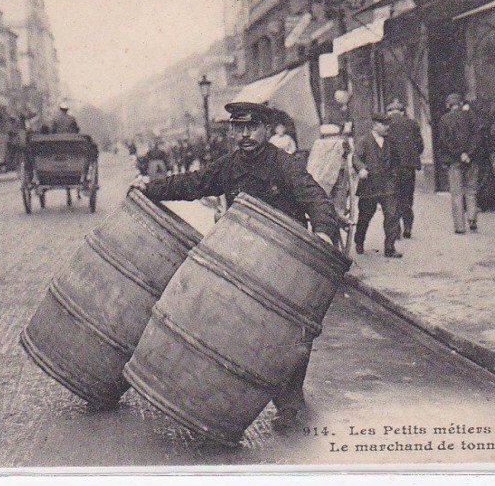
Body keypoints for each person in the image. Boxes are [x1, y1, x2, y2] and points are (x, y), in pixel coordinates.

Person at [131, 101, 340, 431]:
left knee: (288, 334)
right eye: (238, 128)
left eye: (251, 128)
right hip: (242, 260)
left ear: (267, 130)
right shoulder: (228, 166)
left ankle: (291, 401)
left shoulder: (284, 165)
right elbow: (193, 184)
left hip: (283, 264)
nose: (244, 135)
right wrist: (151, 188)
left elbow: (315, 197)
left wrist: (325, 232)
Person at [352, 114, 402, 258]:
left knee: (392, 215)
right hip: (369, 186)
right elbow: (356, 158)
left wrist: (394, 176)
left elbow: (396, 162)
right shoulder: (363, 141)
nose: (387, 127)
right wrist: (361, 169)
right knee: (365, 216)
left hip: (388, 185)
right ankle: (359, 241)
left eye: (388, 124)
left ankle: (390, 248)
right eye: (384, 124)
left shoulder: (391, 142)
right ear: (375, 125)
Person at [438, 93, 481, 234]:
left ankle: (460, 226)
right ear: (460, 104)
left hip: (454, 161)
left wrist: (459, 153)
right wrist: (468, 153)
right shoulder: (471, 116)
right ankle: (472, 219)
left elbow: (445, 142)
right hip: (471, 159)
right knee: (471, 191)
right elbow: (476, 137)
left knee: (456, 193)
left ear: (448, 105)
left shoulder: (444, 119)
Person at [385, 99, 424, 239]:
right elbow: (420, 146)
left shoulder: (386, 125)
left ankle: (396, 230)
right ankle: (408, 227)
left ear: (389, 112)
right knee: (407, 198)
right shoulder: (412, 123)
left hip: (392, 168)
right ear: (402, 112)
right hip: (408, 167)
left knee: (393, 197)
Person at [307, 123, 349, 216]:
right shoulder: (339, 143)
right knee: (338, 192)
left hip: (327, 173)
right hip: (335, 171)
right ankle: (338, 212)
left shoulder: (318, 143)